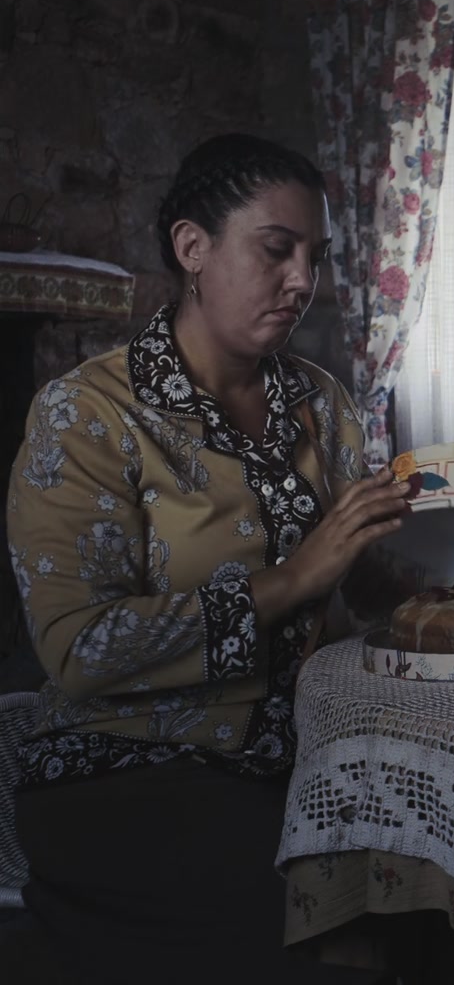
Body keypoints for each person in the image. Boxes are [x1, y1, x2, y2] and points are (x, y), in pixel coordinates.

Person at [6, 134, 410, 984]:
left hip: (310, 756)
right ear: (193, 247)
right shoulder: (86, 414)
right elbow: (79, 648)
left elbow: (373, 586)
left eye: (314, 256)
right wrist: (292, 581)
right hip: (131, 773)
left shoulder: (321, 402)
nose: (302, 280)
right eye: (277, 249)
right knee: (338, 940)